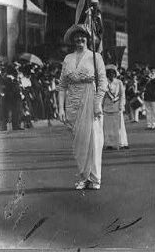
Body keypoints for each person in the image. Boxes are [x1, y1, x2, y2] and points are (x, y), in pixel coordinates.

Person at [58, 24, 107, 190]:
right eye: (76, 37)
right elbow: (62, 86)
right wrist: (61, 108)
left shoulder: (95, 57)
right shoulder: (68, 59)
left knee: (93, 140)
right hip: (73, 102)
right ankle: (83, 176)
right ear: (73, 40)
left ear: (88, 39)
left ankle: (95, 178)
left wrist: (98, 102)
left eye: (83, 36)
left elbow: (102, 82)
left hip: (90, 99)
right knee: (78, 143)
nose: (80, 39)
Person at [103, 64, 128, 150]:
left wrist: (121, 105)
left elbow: (122, 95)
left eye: (112, 73)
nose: (111, 75)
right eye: (109, 73)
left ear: (115, 74)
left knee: (119, 126)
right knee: (108, 128)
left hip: (117, 107)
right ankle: (109, 143)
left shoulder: (119, 82)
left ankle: (122, 143)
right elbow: (102, 96)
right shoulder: (104, 83)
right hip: (107, 108)